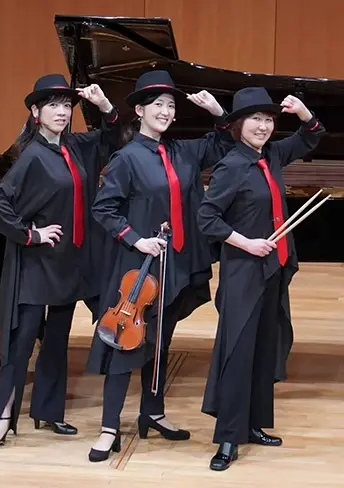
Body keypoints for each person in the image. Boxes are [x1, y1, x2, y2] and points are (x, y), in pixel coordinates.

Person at [86, 69, 233, 463]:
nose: (166, 111)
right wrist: (136, 238)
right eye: (158, 105)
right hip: (139, 267)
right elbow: (104, 208)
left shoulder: (183, 151)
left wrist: (218, 112)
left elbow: (223, 145)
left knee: (161, 338)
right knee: (125, 342)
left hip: (177, 263)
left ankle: (152, 412)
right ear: (140, 111)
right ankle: (109, 428)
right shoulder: (126, 158)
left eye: (170, 105)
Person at [0, 73, 120, 452]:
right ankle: (1, 421)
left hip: (68, 263)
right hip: (36, 265)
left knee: (57, 341)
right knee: (21, 343)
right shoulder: (32, 156)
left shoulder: (75, 146)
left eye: (66, 105)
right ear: (36, 113)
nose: (61, 112)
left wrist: (104, 105)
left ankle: (49, 411)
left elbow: (114, 139)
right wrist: (31, 234)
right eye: (53, 105)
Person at [197, 86, 326, 471]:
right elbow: (207, 218)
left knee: (262, 350)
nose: (263, 126)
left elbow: (312, 136)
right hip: (243, 272)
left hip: (273, 269)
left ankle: (252, 425)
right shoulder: (231, 166)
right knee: (237, 354)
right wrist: (246, 243)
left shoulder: (271, 155)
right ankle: (227, 438)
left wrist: (302, 111)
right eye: (255, 119)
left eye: (269, 120)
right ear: (238, 124)